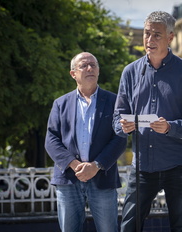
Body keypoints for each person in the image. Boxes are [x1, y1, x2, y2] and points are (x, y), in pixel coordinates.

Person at [113, 11, 182, 232]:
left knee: (180, 228)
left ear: (170, 37)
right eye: (147, 34)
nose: (150, 40)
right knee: (128, 227)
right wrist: (122, 127)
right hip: (142, 167)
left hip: (178, 166)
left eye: (157, 35)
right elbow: (118, 117)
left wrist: (170, 128)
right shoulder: (130, 73)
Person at [45, 52, 127, 232]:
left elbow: (120, 138)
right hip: (68, 178)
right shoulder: (60, 103)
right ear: (73, 73)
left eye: (93, 65)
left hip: (102, 177)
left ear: (98, 70)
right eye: (84, 65)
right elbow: (51, 140)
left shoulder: (115, 101)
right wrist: (74, 165)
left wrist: (95, 166)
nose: (90, 68)